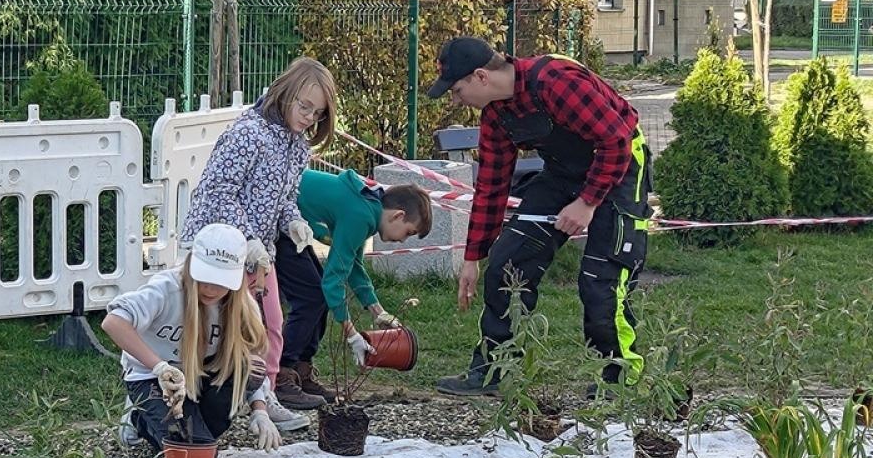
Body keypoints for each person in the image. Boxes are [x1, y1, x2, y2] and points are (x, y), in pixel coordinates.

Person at [426, 37, 651, 396]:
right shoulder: (497, 116)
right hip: (563, 174)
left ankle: (619, 377)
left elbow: (616, 140)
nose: (456, 100)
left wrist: (587, 203)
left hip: (621, 167)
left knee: (600, 279)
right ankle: (494, 371)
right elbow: (491, 187)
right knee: (507, 262)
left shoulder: (556, 81)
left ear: (481, 77)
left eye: (456, 90)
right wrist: (473, 256)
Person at [178, 56, 340, 424]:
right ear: (286, 92)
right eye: (304, 107)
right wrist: (246, 237)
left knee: (269, 325)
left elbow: (284, 199)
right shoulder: (248, 134)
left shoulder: (297, 146)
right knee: (207, 328)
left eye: (317, 114)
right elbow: (219, 191)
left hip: (259, 255)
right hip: (217, 250)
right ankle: (184, 399)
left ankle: (263, 401)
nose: (309, 118)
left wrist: (295, 223)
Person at [101, 223, 282, 455]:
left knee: (206, 439)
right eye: (205, 277)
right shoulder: (167, 288)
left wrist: (260, 410)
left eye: (220, 281)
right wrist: (160, 367)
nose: (210, 288)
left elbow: (251, 361)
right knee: (190, 451)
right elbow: (113, 322)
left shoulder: (242, 307)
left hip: (199, 376)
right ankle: (139, 417)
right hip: (153, 376)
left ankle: (195, 422)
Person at [276, 171, 433, 402]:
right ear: (398, 215)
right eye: (408, 232)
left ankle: (301, 369)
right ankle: (280, 374)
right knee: (311, 297)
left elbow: (353, 266)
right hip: (276, 220)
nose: (402, 240)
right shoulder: (361, 215)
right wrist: (352, 335)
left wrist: (378, 311)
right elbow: (334, 279)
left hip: (291, 224)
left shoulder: (368, 209)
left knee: (317, 294)